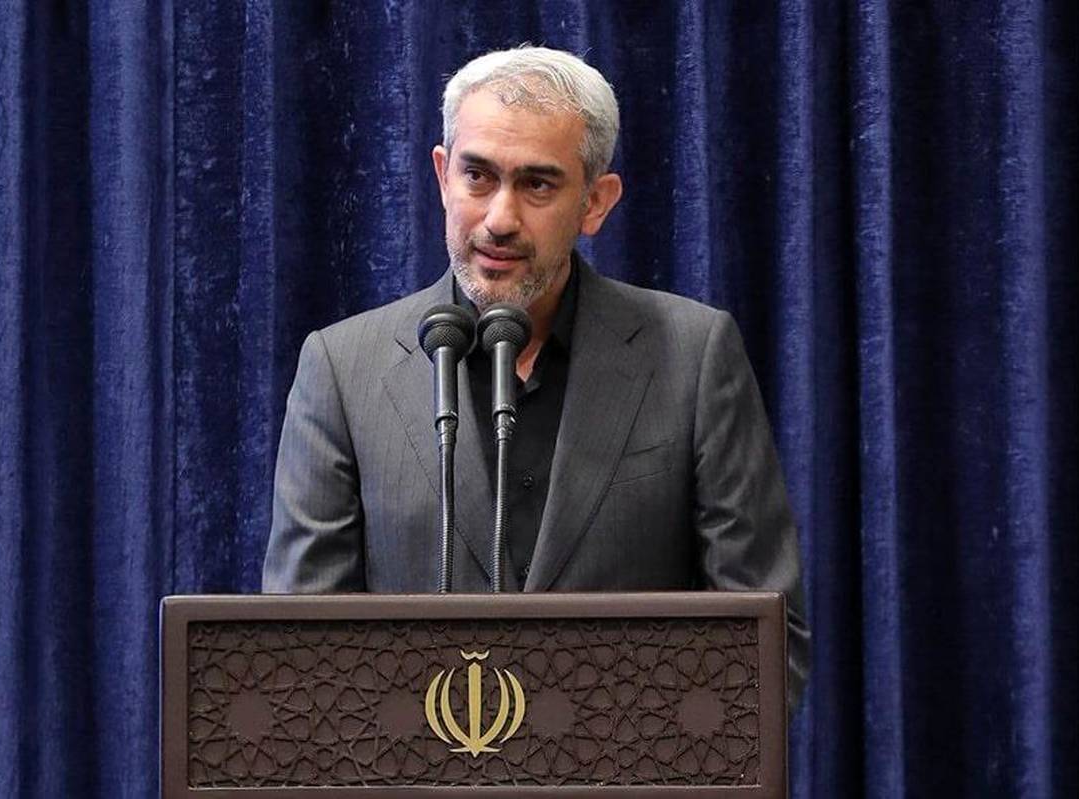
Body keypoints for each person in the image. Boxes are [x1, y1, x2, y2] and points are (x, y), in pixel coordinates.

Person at [262, 46, 810, 707]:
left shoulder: (694, 356)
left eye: (538, 185)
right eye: (477, 176)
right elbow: (300, 655)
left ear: (596, 202)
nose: (499, 219)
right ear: (442, 176)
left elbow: (765, 642)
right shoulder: (342, 368)